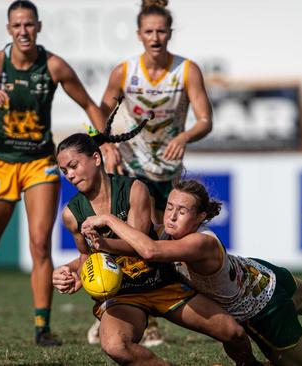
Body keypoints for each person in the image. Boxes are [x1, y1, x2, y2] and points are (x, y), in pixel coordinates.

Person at [82, 180, 302, 366]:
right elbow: (139, 247)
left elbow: (148, 251)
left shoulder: (199, 243)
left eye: (183, 210)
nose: (172, 215)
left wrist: (107, 218)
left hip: (264, 309)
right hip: (263, 274)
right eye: (171, 206)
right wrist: (102, 244)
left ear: (200, 217)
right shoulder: (169, 234)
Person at [0, 0, 108, 346]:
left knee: (39, 245)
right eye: (17, 26)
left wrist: (105, 142)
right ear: (8, 29)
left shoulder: (54, 66)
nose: (23, 31)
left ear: (39, 27)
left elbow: (90, 105)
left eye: (29, 25)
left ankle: (41, 327)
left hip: (39, 163)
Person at [52, 133, 263, 366]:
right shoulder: (71, 215)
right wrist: (72, 274)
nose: (70, 175)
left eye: (73, 166)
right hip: (123, 295)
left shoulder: (133, 189)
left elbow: (141, 245)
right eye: (64, 171)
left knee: (233, 333)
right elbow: (87, 256)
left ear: (96, 158)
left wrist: (105, 237)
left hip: (162, 282)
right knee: (115, 346)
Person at [95, 0, 214, 345]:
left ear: (170, 33)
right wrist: (106, 143)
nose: (156, 37)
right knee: (134, 239)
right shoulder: (124, 71)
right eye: (149, 31)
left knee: (163, 248)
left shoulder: (187, 70)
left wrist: (185, 135)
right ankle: (116, 311)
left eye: (161, 30)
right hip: (133, 168)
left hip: (170, 172)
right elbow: (100, 112)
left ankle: (148, 311)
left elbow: (206, 120)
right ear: (138, 35)